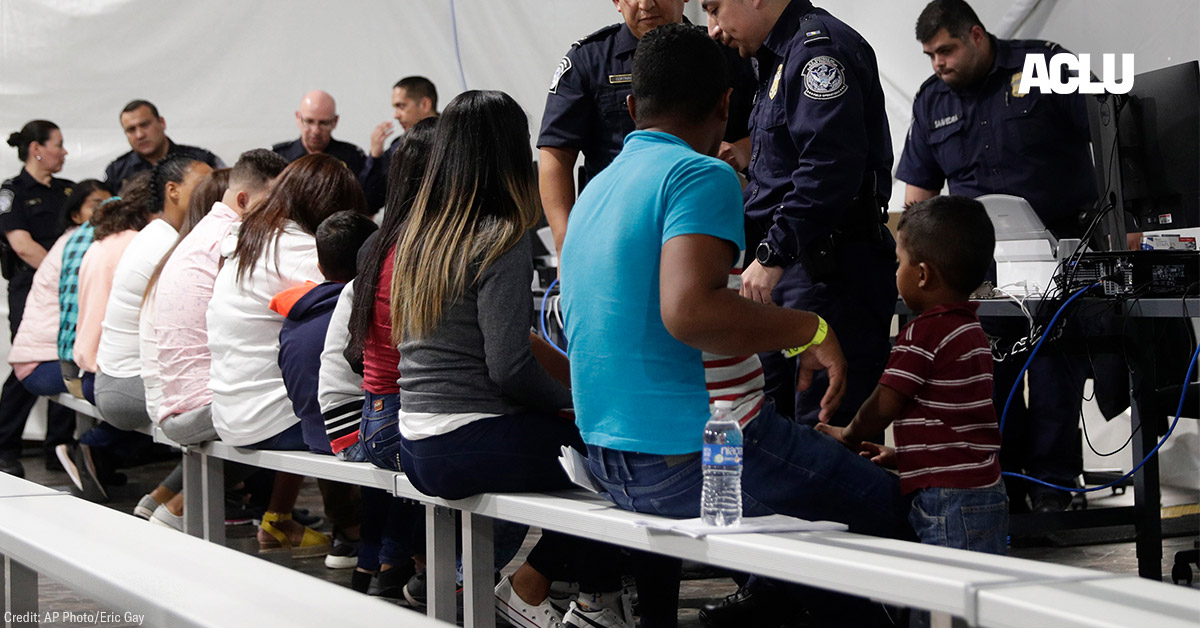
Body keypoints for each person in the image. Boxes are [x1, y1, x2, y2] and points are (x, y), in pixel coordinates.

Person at [560, 23, 907, 628]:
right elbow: (691, 311)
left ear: (634, 106)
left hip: (611, 462)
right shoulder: (700, 175)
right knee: (893, 507)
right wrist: (812, 330)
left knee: (816, 561)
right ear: (726, 104)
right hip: (697, 459)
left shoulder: (593, 191)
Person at [385, 90, 630, 628]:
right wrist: (576, 404)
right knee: (616, 456)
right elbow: (510, 368)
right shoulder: (501, 236)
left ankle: (558, 587)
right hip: (464, 440)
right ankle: (575, 598)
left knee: (586, 449)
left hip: (417, 443)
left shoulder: (420, 238)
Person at [895, 0, 1097, 513]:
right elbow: (917, 195)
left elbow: (1117, 134)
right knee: (986, 379)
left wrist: (1130, 226)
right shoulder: (931, 99)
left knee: (1054, 375)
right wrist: (913, 262)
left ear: (977, 36)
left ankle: (1054, 491)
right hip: (978, 268)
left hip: (1061, 254)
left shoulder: (1048, 67)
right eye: (930, 55)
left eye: (946, 50)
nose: (938, 63)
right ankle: (1001, 489)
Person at [208, 153, 366, 557]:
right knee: (375, 421)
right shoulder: (296, 246)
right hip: (266, 416)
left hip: (232, 409)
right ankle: (361, 538)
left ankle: (352, 534)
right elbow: (367, 299)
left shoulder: (252, 235)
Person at [538, 0, 756, 256]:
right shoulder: (590, 60)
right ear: (617, 2)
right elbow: (556, 156)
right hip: (619, 233)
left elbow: (780, 127)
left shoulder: (726, 49)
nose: (646, 4)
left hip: (710, 220)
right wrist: (566, 244)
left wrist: (744, 150)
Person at [154, 149, 287, 444]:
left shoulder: (201, 232)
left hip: (176, 399)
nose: (282, 213)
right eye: (274, 204)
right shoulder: (235, 238)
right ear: (243, 201)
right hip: (205, 403)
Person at [94, 155, 213, 432]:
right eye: (204, 184)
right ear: (172, 191)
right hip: (126, 383)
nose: (213, 192)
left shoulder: (160, 234)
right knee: (247, 414)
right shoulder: (166, 246)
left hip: (118, 377)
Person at [0, 121, 77, 478]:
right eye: (58, 145)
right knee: (29, 363)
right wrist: (62, 272)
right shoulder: (12, 192)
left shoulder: (68, 191)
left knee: (66, 361)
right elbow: (21, 244)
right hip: (31, 289)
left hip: (70, 291)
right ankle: (5, 445)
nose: (63, 152)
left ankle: (58, 448)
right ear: (36, 148)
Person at [103, 100, 223, 189]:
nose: (139, 135)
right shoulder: (117, 172)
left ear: (162, 123)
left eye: (145, 125)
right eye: (131, 129)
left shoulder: (200, 160)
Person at [362, 77, 439, 210]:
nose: (396, 115)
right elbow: (371, 201)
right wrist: (375, 155)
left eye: (401, 106)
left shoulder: (456, 140)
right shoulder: (399, 146)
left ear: (425, 104)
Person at [273, 90, 368, 173]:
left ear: (335, 121)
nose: (316, 131)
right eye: (309, 121)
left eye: (323, 123)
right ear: (298, 118)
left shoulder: (352, 157)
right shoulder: (279, 157)